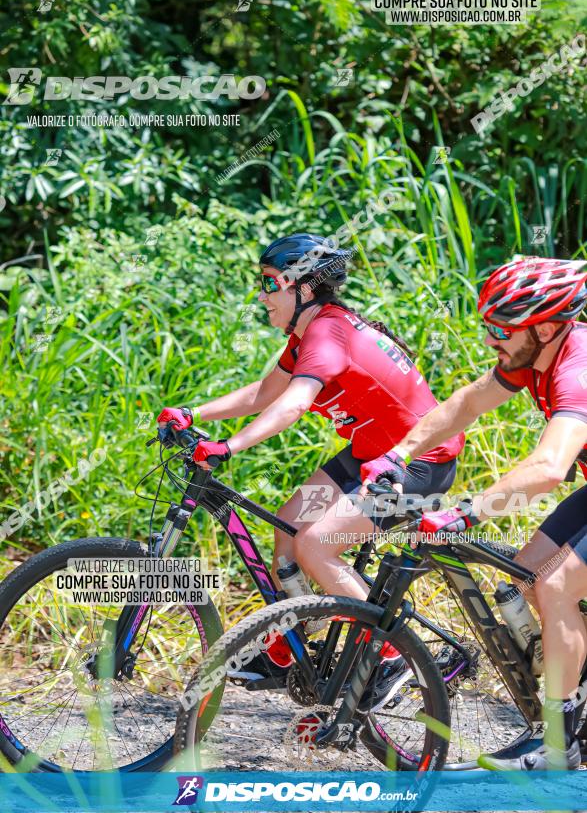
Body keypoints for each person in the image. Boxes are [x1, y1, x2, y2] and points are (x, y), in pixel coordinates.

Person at [158, 232, 463, 707]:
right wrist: (194, 414)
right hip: (370, 451)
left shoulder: (326, 333)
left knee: (316, 546)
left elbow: (295, 405)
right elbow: (266, 394)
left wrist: (230, 446)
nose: (261, 295)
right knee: (287, 529)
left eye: (268, 283)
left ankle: (391, 656)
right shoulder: (310, 332)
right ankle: (293, 647)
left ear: (302, 288)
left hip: (420, 460)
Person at [361, 255, 587, 769]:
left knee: (556, 586)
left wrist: (466, 512)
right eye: (488, 326)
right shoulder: (532, 355)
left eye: (501, 328)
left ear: (548, 326)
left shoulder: (577, 372)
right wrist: (400, 453)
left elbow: (551, 467)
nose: (491, 339)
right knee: (527, 575)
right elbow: (466, 405)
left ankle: (560, 748)